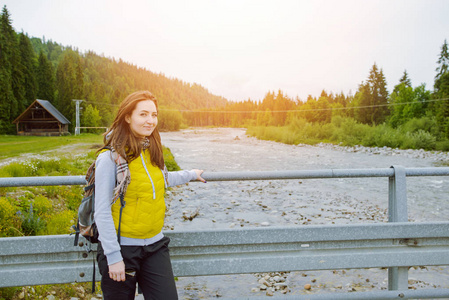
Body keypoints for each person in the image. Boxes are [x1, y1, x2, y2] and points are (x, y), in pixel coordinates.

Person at [94, 90, 206, 299]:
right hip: (122, 248)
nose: (150, 121)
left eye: (154, 115)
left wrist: (191, 174)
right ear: (128, 117)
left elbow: (162, 180)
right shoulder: (110, 158)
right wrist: (113, 256)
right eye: (143, 114)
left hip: (155, 246)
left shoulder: (152, 150)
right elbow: (101, 211)